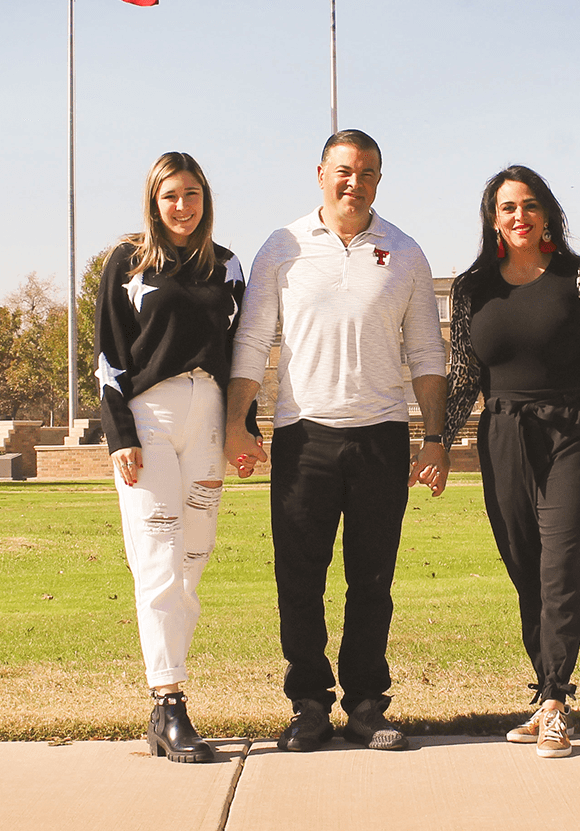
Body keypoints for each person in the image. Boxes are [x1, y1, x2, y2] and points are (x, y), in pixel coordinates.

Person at [225, 129, 449, 753]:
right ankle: (308, 705)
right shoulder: (283, 247)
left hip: (381, 436)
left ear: (380, 179)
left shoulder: (404, 252)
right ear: (320, 173)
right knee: (299, 580)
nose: (356, 183)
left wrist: (435, 437)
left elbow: (427, 353)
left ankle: (368, 705)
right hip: (303, 436)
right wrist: (238, 422)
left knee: (371, 581)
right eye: (345, 171)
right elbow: (251, 343)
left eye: (369, 173)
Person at [441, 165, 580, 758]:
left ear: (548, 213)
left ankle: (556, 699)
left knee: (561, 561)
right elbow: (462, 376)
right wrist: (436, 441)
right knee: (524, 564)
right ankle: (546, 691)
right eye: (507, 208)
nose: (519, 217)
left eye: (530, 206)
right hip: (502, 433)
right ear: (493, 220)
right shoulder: (473, 285)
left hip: (569, 433)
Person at [94, 151, 249, 763]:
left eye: (191, 194)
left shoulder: (228, 266)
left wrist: (244, 426)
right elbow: (109, 353)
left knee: (191, 558)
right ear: (153, 202)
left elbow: (239, 351)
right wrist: (120, 433)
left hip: (207, 415)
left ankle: (164, 707)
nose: (182, 207)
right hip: (149, 418)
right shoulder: (128, 262)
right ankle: (170, 700)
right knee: (157, 558)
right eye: (170, 196)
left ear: (205, 197)